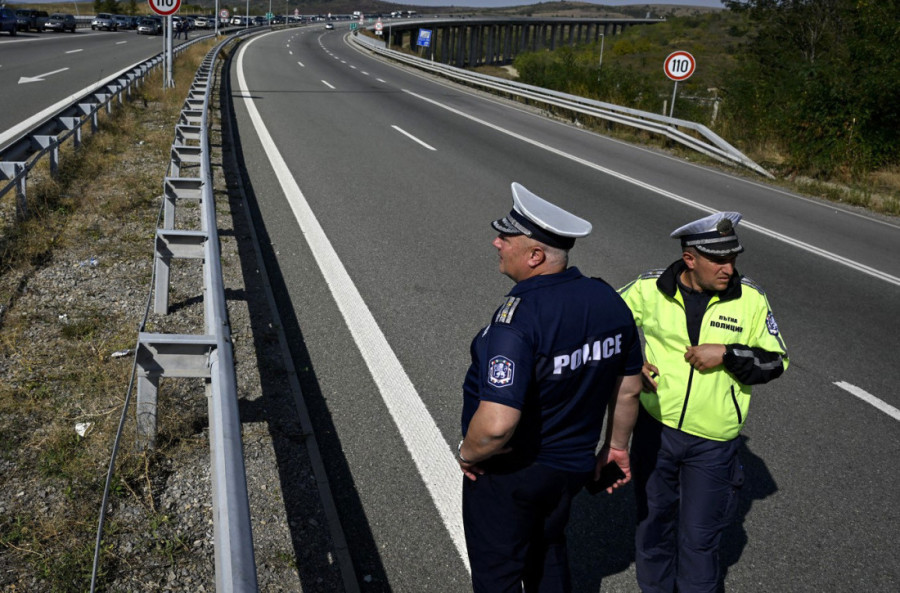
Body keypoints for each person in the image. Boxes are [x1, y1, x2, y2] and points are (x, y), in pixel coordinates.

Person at [457, 182, 644, 593]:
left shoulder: (516, 321)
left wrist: (468, 454)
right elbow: (629, 389)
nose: (496, 243)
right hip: (571, 468)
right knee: (548, 551)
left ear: (536, 255)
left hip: (512, 473)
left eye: (506, 238)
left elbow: (496, 425)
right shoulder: (608, 300)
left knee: (498, 573)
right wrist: (616, 448)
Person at [617, 211, 789, 593]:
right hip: (655, 429)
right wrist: (630, 365)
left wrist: (727, 353)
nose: (729, 268)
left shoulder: (751, 299)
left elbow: (776, 360)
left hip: (713, 442)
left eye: (733, 258)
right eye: (719, 260)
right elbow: (605, 322)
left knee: (698, 539)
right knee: (653, 528)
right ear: (690, 259)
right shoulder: (650, 288)